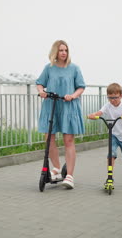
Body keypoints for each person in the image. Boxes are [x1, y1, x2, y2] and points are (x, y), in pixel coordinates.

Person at [36, 40, 85, 189]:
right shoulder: (49, 68)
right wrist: (41, 92)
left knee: (68, 140)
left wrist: (73, 95)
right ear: (55, 52)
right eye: (61, 50)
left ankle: (69, 176)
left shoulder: (74, 68)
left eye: (66, 50)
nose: (64, 53)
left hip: (68, 106)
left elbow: (81, 87)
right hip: (51, 105)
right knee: (49, 138)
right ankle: (56, 169)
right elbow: (39, 83)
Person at [87, 83, 122, 187]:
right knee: (111, 154)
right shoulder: (108, 106)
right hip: (113, 135)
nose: (113, 100)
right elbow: (99, 113)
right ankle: (110, 177)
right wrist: (92, 115)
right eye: (110, 98)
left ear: (121, 96)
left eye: (115, 97)